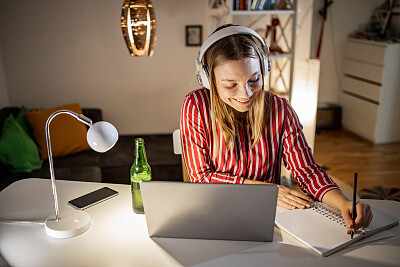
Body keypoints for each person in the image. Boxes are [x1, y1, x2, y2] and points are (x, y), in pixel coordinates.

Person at [180, 24, 373, 234]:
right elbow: (201, 177)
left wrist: (344, 203)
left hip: (268, 217)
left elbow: (307, 171)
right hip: (217, 212)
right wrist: (268, 190)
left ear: (264, 69)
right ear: (209, 80)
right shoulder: (196, 105)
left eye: (254, 80)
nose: (245, 94)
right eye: (230, 85)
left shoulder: (281, 109)